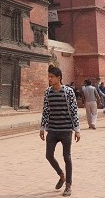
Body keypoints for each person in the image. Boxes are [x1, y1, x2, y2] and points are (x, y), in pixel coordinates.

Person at [40, 65, 80, 197]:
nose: (49, 79)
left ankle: (68, 185)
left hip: (65, 130)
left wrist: (77, 129)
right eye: (49, 76)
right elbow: (46, 110)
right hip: (52, 129)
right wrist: (42, 127)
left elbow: (74, 111)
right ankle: (61, 175)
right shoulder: (48, 92)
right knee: (49, 155)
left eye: (51, 77)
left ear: (59, 78)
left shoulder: (68, 92)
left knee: (67, 157)